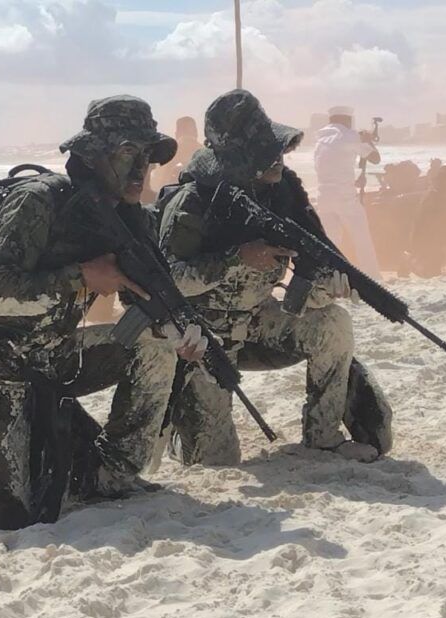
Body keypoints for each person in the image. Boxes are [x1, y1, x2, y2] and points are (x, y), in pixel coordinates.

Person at [0, 96, 208, 530]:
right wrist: (80, 276)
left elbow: (142, 299)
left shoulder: (130, 219)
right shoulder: (38, 201)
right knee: (6, 513)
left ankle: (112, 473)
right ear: (94, 155)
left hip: (52, 356)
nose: (140, 171)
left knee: (154, 347)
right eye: (128, 154)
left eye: (147, 158)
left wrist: (177, 329)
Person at [159, 89, 387, 465]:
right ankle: (185, 429)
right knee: (215, 460)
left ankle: (323, 436)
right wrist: (237, 258)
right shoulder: (193, 202)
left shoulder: (281, 195)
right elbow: (171, 281)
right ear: (239, 157)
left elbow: (313, 254)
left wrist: (327, 285)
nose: (277, 159)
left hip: (259, 321)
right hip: (204, 337)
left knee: (332, 324)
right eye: (266, 151)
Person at [314, 105, 382, 279]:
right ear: (347, 119)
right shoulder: (351, 136)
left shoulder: (320, 139)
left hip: (323, 197)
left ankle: (327, 278)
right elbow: (375, 158)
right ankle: (372, 277)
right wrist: (367, 140)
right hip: (345, 197)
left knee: (330, 242)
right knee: (362, 239)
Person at [144, 115, 203, 200]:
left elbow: (156, 183)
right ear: (196, 133)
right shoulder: (206, 154)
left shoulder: (167, 153)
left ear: (176, 134)